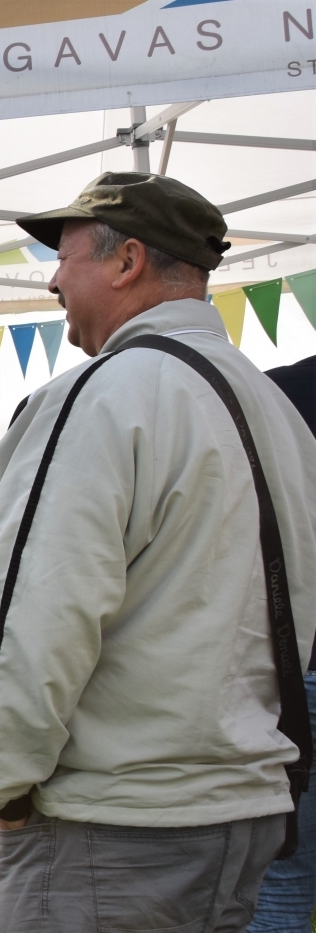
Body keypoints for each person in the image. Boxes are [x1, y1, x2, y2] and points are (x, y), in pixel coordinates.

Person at [0, 173, 316, 931]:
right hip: (238, 805)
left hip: (114, 823)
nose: (52, 279)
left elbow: (38, 611)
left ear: (126, 261)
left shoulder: (103, 393)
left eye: (65, 257)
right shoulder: (271, 405)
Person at [249, 354, 316, 932]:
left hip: (300, 664)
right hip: (302, 670)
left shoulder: (274, 394)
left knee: (284, 880)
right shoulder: (278, 392)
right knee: (282, 879)